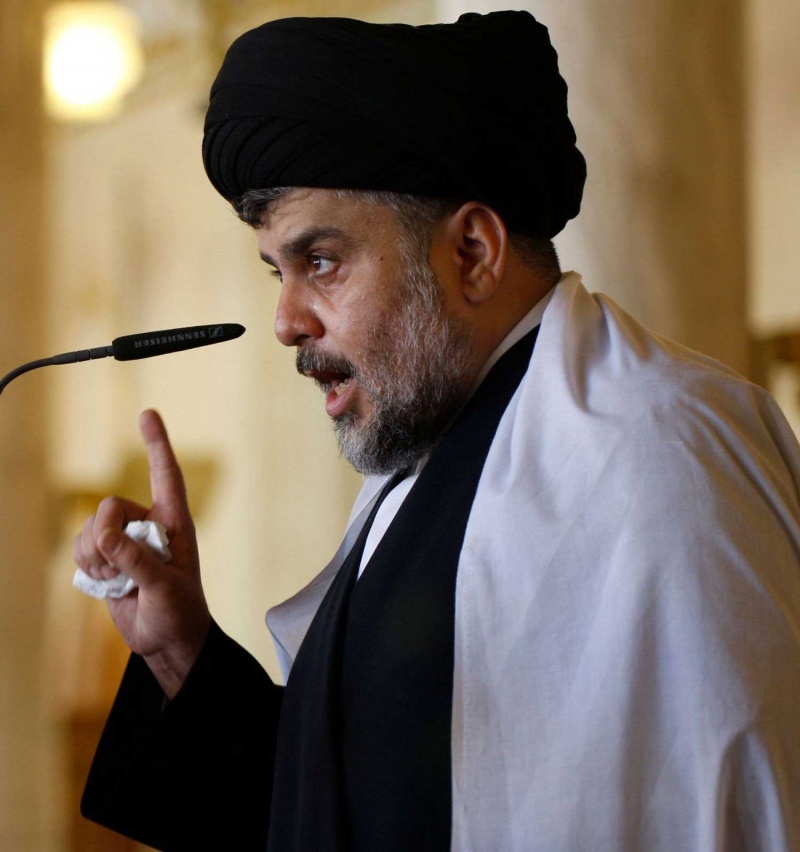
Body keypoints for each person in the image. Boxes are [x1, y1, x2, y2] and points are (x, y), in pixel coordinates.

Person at [74, 11, 800, 852]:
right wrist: (182, 652)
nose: (285, 321)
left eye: (320, 261)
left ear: (473, 254)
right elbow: (356, 805)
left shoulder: (659, 453)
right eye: (278, 272)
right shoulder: (428, 464)